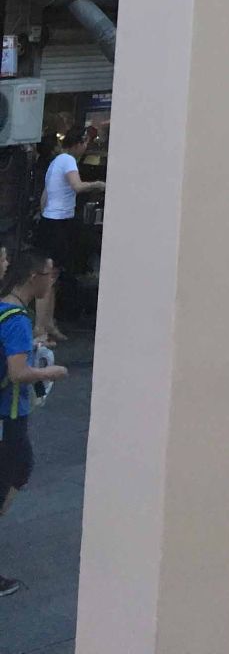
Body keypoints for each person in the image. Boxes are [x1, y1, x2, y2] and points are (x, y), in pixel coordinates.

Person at [0, 250, 69, 597]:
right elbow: (18, 373)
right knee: (12, 474)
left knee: (18, 469)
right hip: (8, 415)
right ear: (33, 277)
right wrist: (49, 372)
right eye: (49, 274)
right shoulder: (17, 319)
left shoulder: (5, 310)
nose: (51, 281)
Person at [35, 131, 104, 345]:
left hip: (50, 221)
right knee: (49, 276)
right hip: (59, 223)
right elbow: (77, 186)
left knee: (52, 275)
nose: (86, 147)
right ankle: (40, 329)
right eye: (85, 143)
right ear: (79, 143)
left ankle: (48, 324)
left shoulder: (55, 162)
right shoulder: (68, 160)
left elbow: (45, 196)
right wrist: (98, 184)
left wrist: (44, 215)